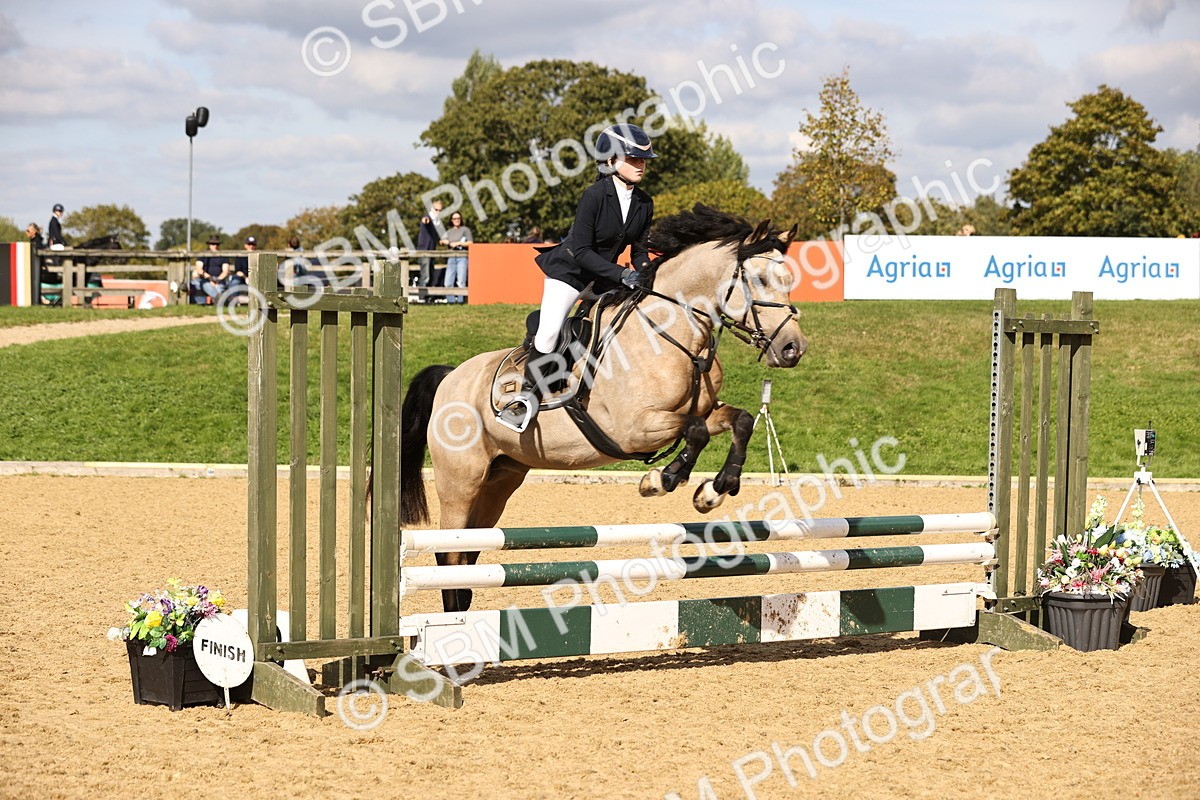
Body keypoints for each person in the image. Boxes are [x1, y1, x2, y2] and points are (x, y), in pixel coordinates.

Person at [495, 123, 656, 433]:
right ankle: (524, 400)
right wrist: (623, 274)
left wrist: (647, 271)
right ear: (610, 160)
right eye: (634, 158)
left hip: (605, 276)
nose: (641, 165)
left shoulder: (644, 202)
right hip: (570, 272)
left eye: (644, 160)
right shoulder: (594, 195)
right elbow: (581, 251)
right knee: (548, 333)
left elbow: (639, 251)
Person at [440, 212, 472, 304]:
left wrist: (458, 243)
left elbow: (470, 242)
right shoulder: (449, 232)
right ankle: (451, 302)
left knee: (461, 281)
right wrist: (445, 242)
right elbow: (441, 241)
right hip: (451, 257)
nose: (457, 220)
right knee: (448, 282)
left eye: (458, 218)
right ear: (451, 220)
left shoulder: (465, 230)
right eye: (454, 218)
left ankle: (461, 302)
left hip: (462, 257)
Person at [415, 200, 443, 303]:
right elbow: (425, 220)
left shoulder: (437, 221)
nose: (438, 212)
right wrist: (426, 220)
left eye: (440, 210)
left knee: (430, 274)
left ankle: (427, 298)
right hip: (424, 250)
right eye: (436, 209)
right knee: (425, 275)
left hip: (431, 251)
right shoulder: (429, 218)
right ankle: (422, 297)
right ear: (432, 209)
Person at [190, 235, 230, 304]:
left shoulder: (223, 256)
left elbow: (225, 271)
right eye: (213, 244)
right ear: (209, 245)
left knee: (219, 288)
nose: (215, 246)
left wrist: (217, 280)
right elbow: (199, 269)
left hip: (219, 279)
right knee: (206, 285)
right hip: (205, 279)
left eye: (217, 244)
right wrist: (210, 279)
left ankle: (219, 300)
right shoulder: (203, 255)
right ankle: (221, 300)